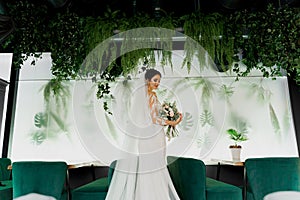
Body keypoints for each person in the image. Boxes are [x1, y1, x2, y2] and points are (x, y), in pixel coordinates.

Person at [105, 68, 182, 200]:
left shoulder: (142, 96)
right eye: (155, 80)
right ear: (147, 80)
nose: (157, 83)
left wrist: (166, 111)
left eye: (159, 81)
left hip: (145, 138)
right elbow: (154, 119)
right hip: (153, 137)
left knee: (147, 167)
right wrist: (172, 122)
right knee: (156, 166)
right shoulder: (151, 96)